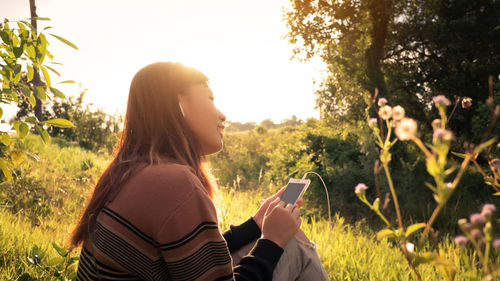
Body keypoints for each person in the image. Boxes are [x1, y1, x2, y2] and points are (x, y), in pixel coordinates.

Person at [70, 62, 329, 280]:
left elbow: (188, 259)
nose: (222, 115)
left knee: (277, 239)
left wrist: (256, 225)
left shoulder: (131, 170)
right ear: (179, 105)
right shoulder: (175, 183)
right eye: (210, 98)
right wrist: (272, 240)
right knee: (293, 245)